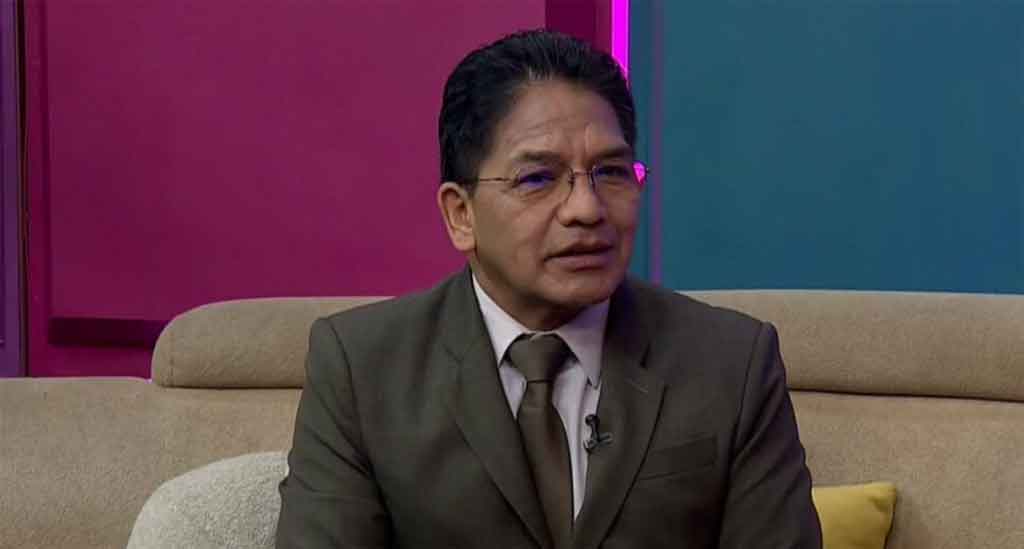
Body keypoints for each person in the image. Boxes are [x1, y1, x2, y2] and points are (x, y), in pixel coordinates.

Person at [276, 29, 821, 549]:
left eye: (611, 172)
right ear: (461, 214)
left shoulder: (732, 363)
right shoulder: (362, 368)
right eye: (537, 178)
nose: (587, 209)